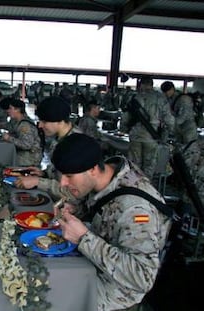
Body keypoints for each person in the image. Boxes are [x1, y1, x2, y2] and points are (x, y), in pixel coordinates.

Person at [51, 133, 172, 311]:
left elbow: (143, 277)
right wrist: (79, 210)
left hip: (117, 292)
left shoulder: (135, 209)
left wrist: (84, 238)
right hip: (96, 264)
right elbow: (105, 209)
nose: (63, 183)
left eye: (69, 176)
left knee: (49, 295)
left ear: (93, 169)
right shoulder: (109, 174)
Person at [15, 96, 81, 201]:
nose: (40, 125)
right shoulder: (59, 138)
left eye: (44, 122)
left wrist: (38, 182)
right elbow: (59, 171)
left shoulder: (77, 145)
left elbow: (74, 192)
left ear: (60, 121)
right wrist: (44, 173)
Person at [120, 76, 174, 179]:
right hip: (151, 137)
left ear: (141, 84)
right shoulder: (160, 98)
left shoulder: (134, 97)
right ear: (151, 85)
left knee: (134, 165)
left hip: (135, 135)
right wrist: (170, 131)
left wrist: (123, 129)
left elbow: (125, 116)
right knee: (148, 167)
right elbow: (168, 118)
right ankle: (145, 188)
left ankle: (134, 188)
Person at [2, 99, 42, 166]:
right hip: (25, 155)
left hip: (29, 159)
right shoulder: (19, 122)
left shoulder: (25, 125)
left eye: (10, 108)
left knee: (3, 159)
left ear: (17, 110)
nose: (8, 111)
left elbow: (27, 145)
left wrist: (9, 138)